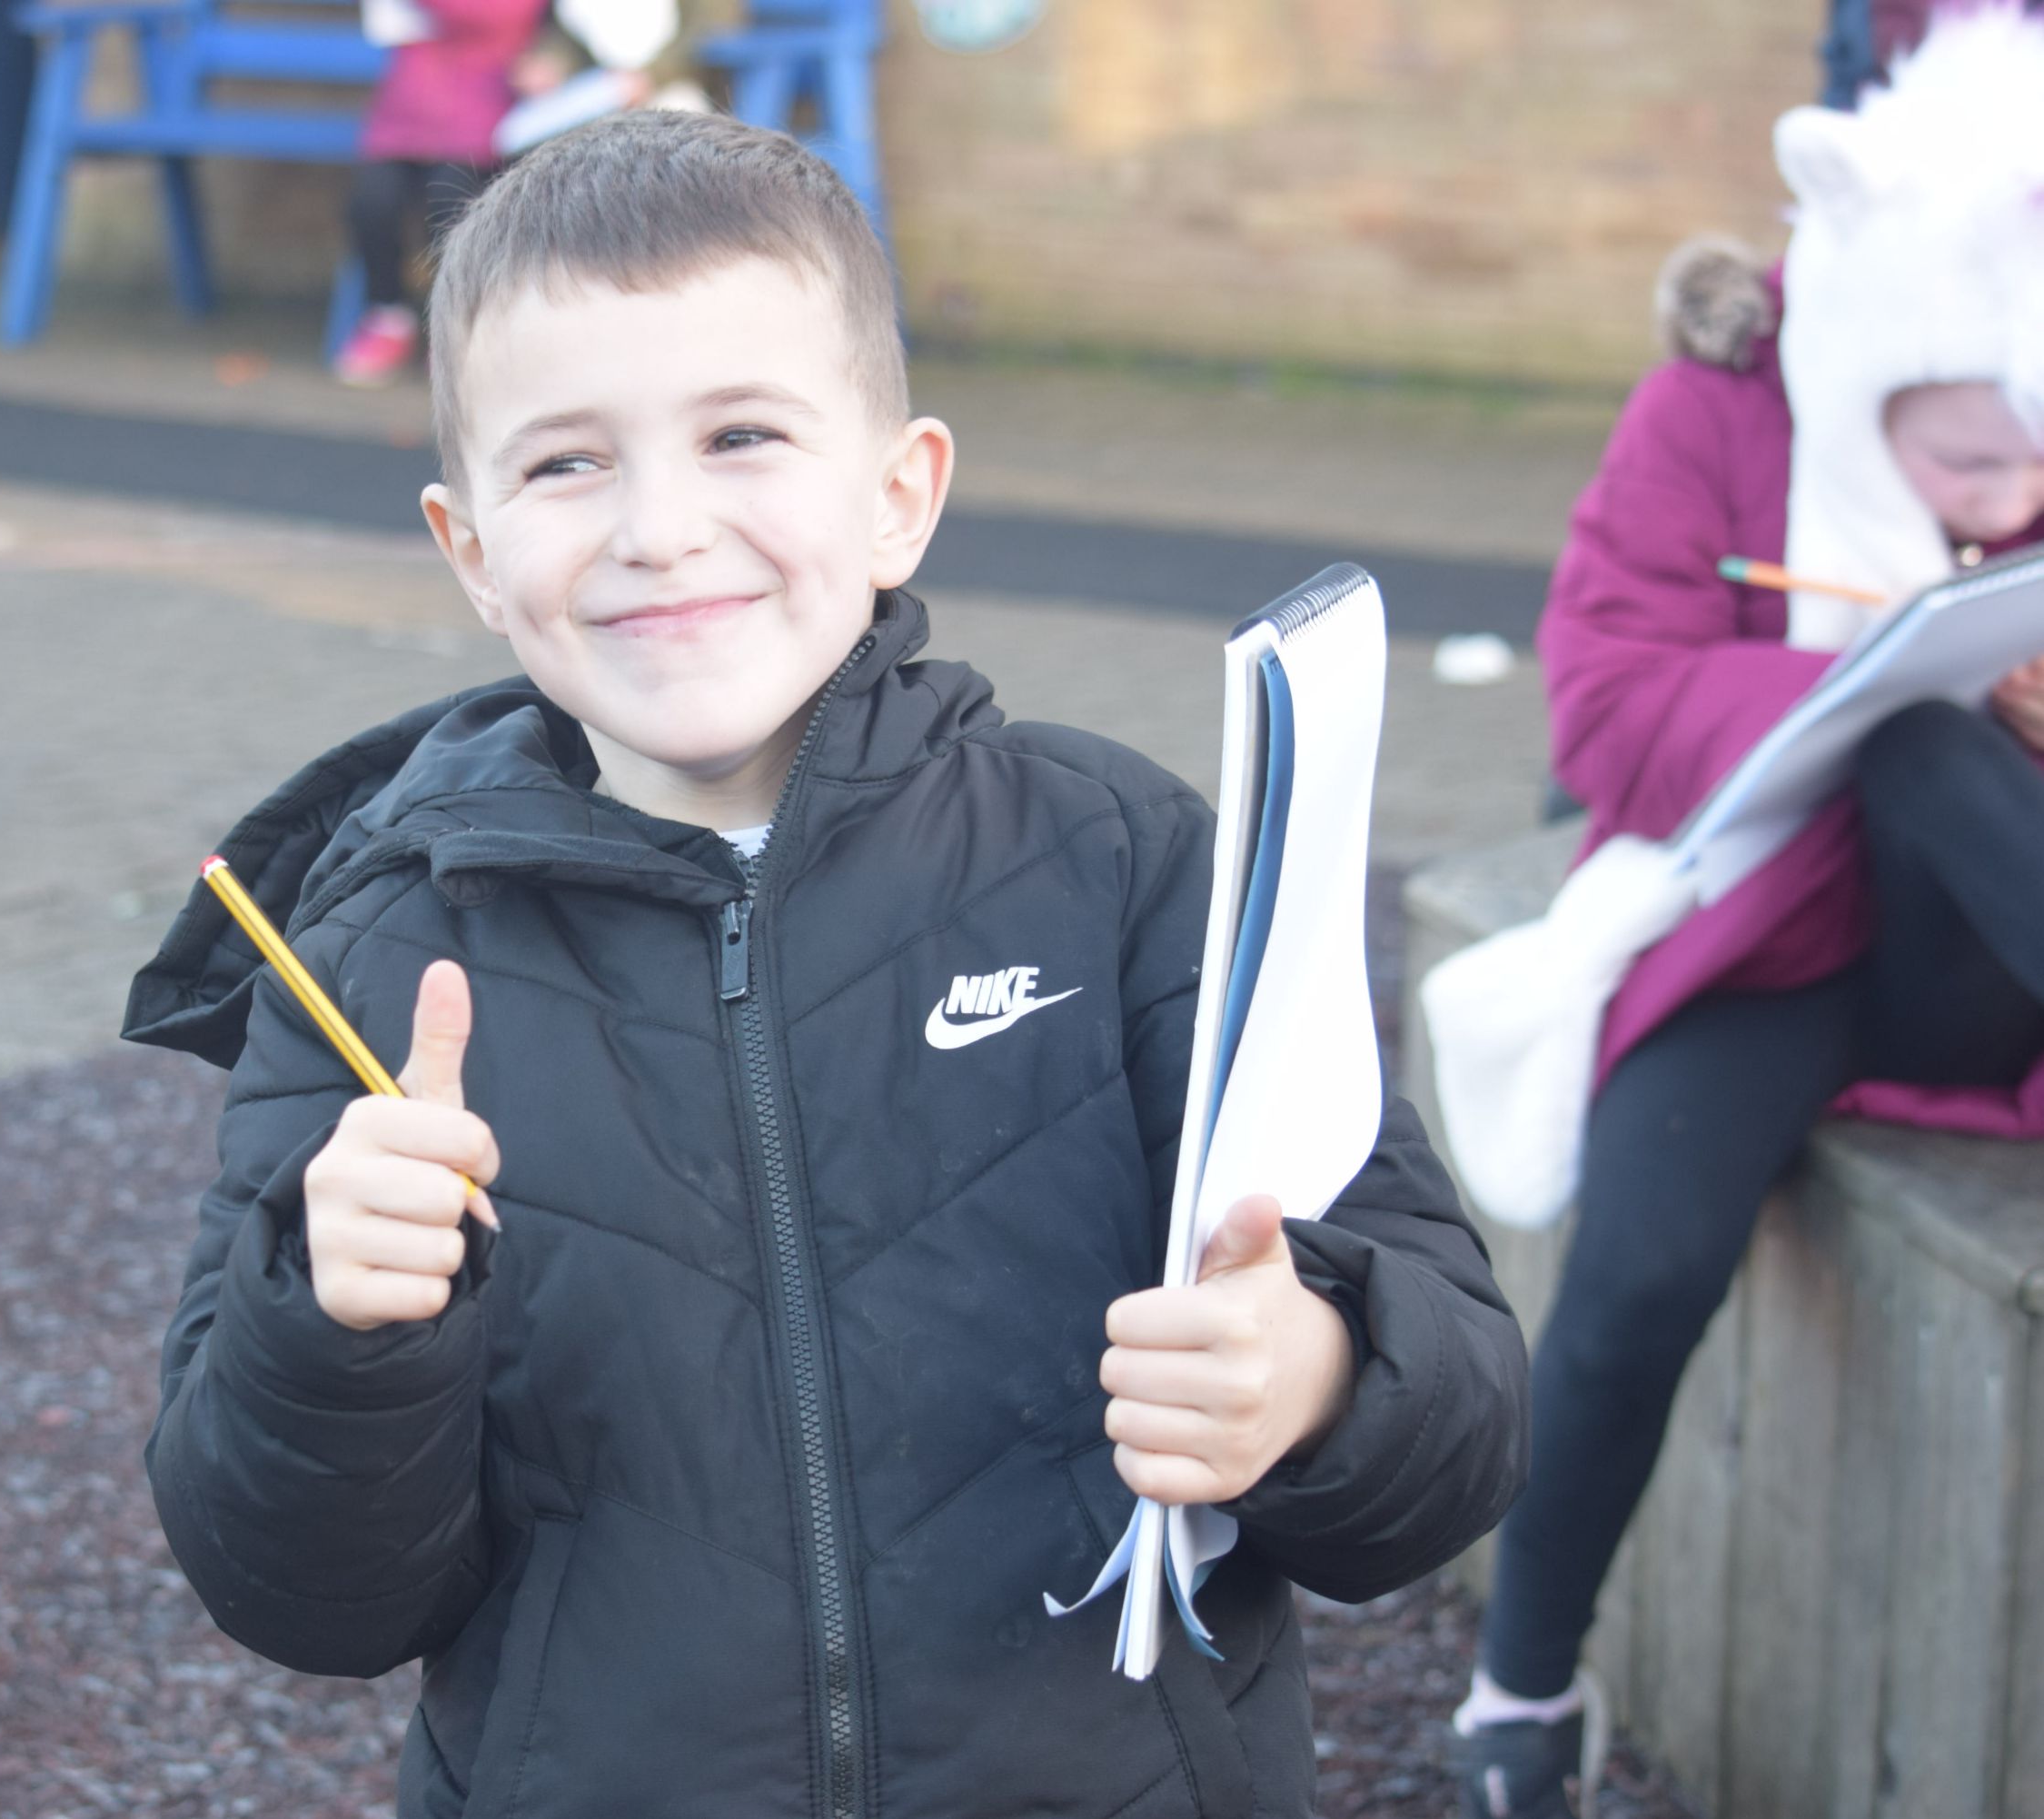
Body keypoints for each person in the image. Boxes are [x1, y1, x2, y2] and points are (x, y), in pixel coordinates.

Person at [129, 110, 1527, 1819]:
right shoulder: (370, 956)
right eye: (565, 464)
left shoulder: (1123, 862)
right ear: (473, 548)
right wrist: (337, 1320)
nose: (660, 528)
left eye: (741, 436)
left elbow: (1459, 1428)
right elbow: (302, 1595)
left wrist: (1318, 1377)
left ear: (898, 496)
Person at [1454, 14, 2044, 1818]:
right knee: (1635, 1270)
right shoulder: (1715, 408)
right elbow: (1602, 707)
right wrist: (1854, 678)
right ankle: (1520, 1693)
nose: (2010, 503)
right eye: (1966, 469)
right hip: (1764, 926)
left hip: (1989, 940)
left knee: (1941, 751)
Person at [332, 0, 548, 387]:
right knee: (372, 202)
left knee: (451, 204)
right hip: (406, 113)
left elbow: (504, 15)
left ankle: (452, 327)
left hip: (482, 115)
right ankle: (387, 316)